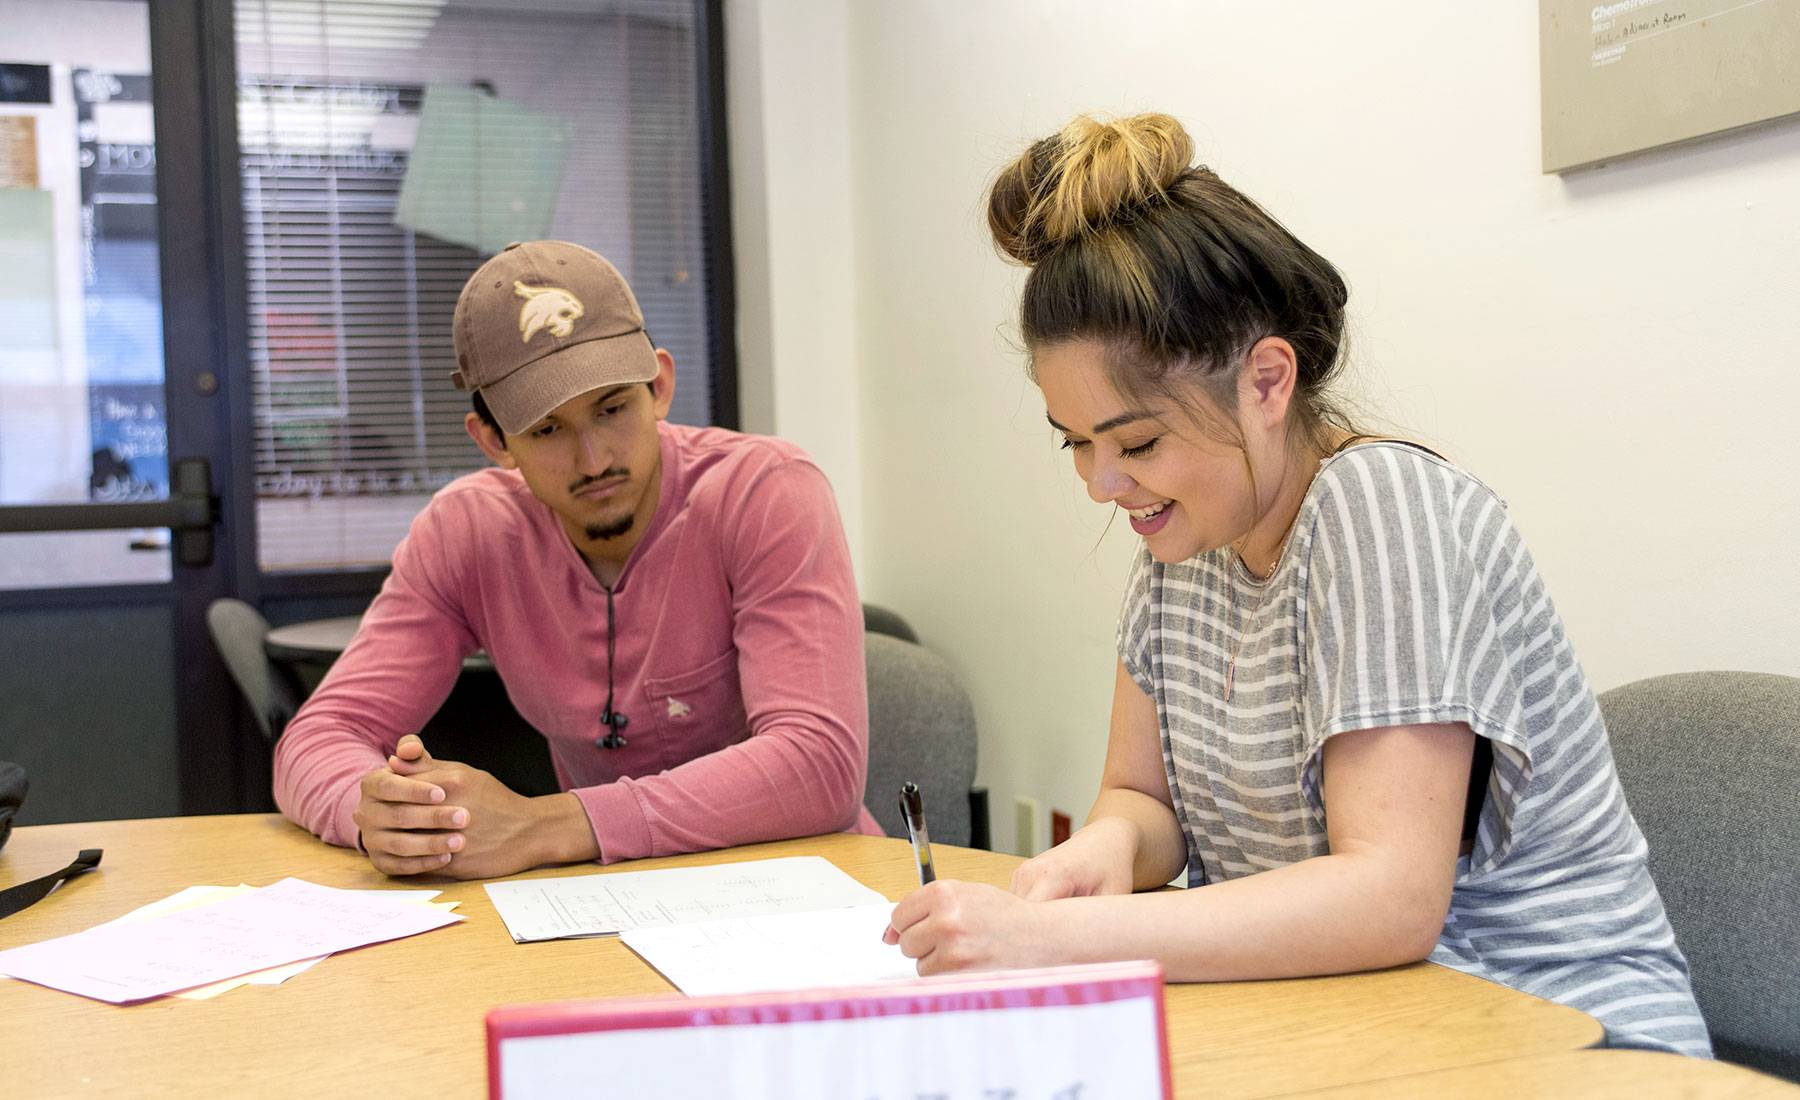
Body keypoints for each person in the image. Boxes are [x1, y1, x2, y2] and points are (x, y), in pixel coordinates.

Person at [884, 114, 1710, 1057]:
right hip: (1347, 1017)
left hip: (1551, 1027)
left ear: (1267, 382)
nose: (1101, 486)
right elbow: (1141, 800)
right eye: (1075, 441)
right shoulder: (1183, 538)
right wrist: (1105, 849)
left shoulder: (1385, 511)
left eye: (1138, 442)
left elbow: (1389, 898)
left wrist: (1051, 939)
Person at [274, 240, 881, 879]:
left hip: (807, 891)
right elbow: (318, 737)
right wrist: (382, 816)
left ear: (661, 386)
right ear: (492, 441)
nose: (593, 460)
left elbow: (820, 766)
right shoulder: (468, 531)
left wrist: (544, 827)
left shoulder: (766, 490)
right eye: (546, 429)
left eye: (613, 408)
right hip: (598, 902)